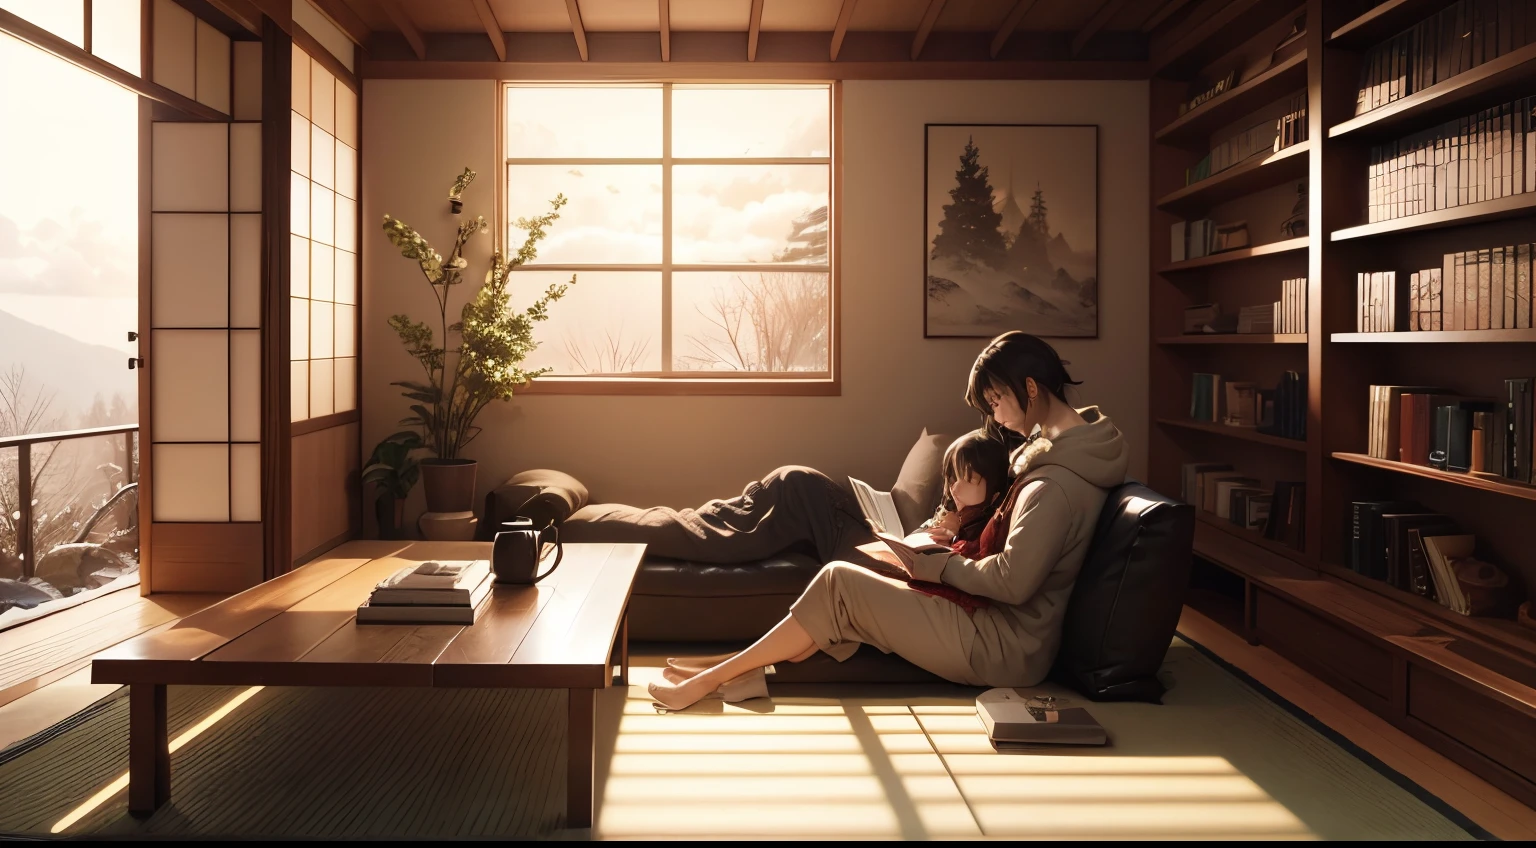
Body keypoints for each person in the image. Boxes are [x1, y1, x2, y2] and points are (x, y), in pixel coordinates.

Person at [649, 331, 1129, 711]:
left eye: (998, 401)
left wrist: (935, 566)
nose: (997, 418)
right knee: (845, 584)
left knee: (841, 583)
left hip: (1002, 645)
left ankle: (714, 677)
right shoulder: (1063, 456)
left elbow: (1013, 582)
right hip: (990, 621)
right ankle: (729, 671)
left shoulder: (1056, 484)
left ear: (1030, 388)